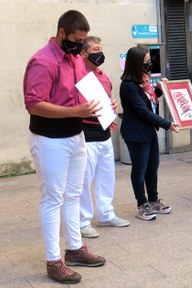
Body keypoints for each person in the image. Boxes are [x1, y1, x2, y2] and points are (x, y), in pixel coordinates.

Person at [23, 10, 106, 284]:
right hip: (49, 139)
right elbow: (34, 104)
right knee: (52, 199)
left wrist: (102, 107)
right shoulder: (43, 61)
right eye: (76, 40)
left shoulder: (75, 59)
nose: (80, 46)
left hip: (75, 135)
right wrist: (76, 111)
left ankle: (74, 248)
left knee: (73, 194)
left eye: (83, 41)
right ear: (62, 33)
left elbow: (85, 90)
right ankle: (53, 260)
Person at [120, 46, 180, 221]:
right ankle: (142, 204)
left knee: (152, 167)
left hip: (148, 131)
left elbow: (150, 101)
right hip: (136, 134)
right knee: (140, 169)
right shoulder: (129, 86)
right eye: (146, 62)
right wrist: (167, 124)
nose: (150, 65)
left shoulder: (143, 81)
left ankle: (153, 200)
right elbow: (143, 112)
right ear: (137, 63)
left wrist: (161, 89)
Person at [79, 36, 129, 238]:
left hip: (104, 132)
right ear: (83, 53)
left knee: (106, 176)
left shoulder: (103, 75)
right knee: (84, 180)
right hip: (86, 134)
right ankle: (83, 222)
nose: (99, 53)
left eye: (101, 48)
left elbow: (108, 98)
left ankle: (106, 214)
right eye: (95, 49)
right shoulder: (76, 75)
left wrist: (113, 105)